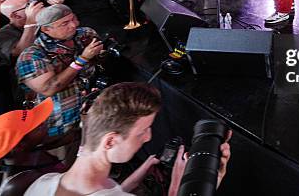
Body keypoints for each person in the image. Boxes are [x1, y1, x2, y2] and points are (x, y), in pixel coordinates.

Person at [24, 82, 232, 196]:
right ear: (110, 141)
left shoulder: (43, 183)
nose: (148, 136)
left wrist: (147, 165)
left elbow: (112, 191)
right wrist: (181, 184)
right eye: (143, 131)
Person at [16, 4, 103, 152]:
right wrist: (82, 59)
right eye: (65, 23)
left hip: (93, 112)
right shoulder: (31, 56)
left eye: (73, 19)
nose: (74, 25)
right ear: (46, 29)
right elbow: (49, 88)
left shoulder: (85, 34)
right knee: (68, 161)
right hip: (60, 126)